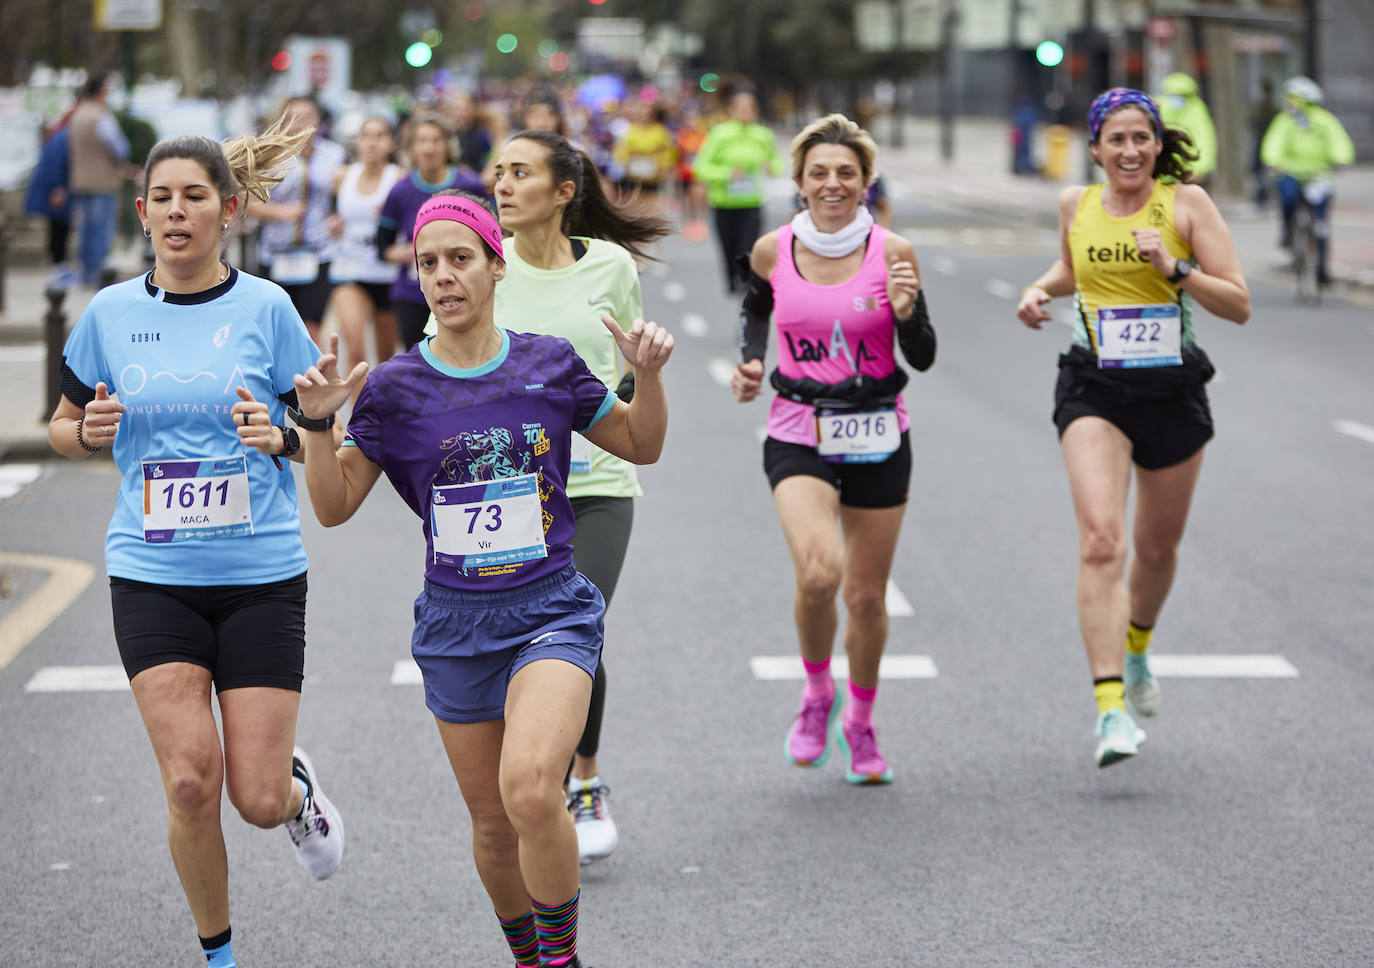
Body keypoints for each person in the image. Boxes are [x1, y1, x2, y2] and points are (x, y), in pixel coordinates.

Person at [294, 190, 673, 968]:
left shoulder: (548, 363)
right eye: (428, 263)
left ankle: (561, 961)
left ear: (497, 267)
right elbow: (333, 508)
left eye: (460, 258)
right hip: (456, 625)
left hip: (551, 609)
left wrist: (648, 377)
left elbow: (640, 444)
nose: (443, 276)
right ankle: (531, 959)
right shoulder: (395, 388)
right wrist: (318, 426)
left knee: (531, 788)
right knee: (496, 825)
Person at [46, 121, 345, 968]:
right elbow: (63, 426)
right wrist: (85, 433)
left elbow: (320, 433)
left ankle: (296, 794)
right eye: (162, 199)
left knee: (255, 798)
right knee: (188, 781)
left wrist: (286, 435)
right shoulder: (109, 314)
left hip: (260, 574)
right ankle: (219, 957)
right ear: (142, 213)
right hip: (151, 572)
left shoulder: (268, 309)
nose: (177, 212)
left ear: (229, 211)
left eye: (195, 197)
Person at [428, 128, 671, 863]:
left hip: (595, 486)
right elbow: (441, 359)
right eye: (498, 172)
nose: (502, 184)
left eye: (520, 172)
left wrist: (636, 380)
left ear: (564, 192)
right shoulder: (483, 266)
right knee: (521, 642)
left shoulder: (612, 266)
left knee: (571, 624)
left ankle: (579, 781)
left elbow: (622, 374)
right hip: (506, 495)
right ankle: (541, 782)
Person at [1014, 89, 1250, 768]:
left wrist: (1176, 269)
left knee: (1155, 547)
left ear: (1157, 144)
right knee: (1101, 541)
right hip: (1095, 384)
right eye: (1115, 139)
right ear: (1094, 148)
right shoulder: (1076, 204)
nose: (1129, 150)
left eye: (1141, 137)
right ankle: (1111, 709)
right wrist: (1038, 289)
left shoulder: (1186, 205)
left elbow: (1238, 303)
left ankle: (1138, 644)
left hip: (1172, 387)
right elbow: (1072, 268)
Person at [729, 114, 935, 785]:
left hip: (879, 430)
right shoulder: (773, 249)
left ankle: (861, 721)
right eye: (818, 172)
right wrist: (750, 361)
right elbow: (756, 307)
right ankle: (818, 694)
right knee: (820, 573)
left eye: (846, 172)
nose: (832, 183)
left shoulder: (894, 251)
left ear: (866, 181)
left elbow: (923, 356)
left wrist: (906, 315)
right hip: (799, 427)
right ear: (799, 182)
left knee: (867, 599)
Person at [377, 115, 486, 348]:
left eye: (436, 140)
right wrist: (408, 253)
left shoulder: (470, 185)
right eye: (422, 141)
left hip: (462, 289)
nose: (429, 148)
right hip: (413, 293)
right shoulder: (400, 190)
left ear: (448, 146)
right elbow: (382, 248)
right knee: (420, 359)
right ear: (411, 148)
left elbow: (493, 236)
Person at [250, 96, 347, 346]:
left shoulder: (334, 155)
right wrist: (282, 212)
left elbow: (344, 193)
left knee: (311, 328)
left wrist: (338, 216)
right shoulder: (268, 156)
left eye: (307, 117)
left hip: (319, 251)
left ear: (318, 121)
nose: (300, 123)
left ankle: (312, 370)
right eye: (293, 117)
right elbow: (246, 204)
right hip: (277, 253)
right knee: (277, 327)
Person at [693, 82, 787, 293]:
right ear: (731, 109)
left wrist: (771, 167)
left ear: (756, 109)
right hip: (723, 203)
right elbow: (701, 168)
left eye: (749, 107)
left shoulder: (762, 135)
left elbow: (777, 163)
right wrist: (727, 174)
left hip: (751, 202)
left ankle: (744, 283)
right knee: (729, 248)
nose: (745, 111)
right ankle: (732, 278)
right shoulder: (719, 134)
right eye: (740, 107)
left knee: (748, 246)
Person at [1261, 76, 1356, 286]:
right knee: (1288, 198)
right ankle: (1288, 232)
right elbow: (1274, 143)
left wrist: (1342, 159)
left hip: (1319, 176)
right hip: (1291, 173)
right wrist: (1272, 161)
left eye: (1291, 97)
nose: (1287, 101)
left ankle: (1322, 267)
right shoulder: (1284, 121)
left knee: (1322, 223)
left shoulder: (1325, 121)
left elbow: (1338, 142)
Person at [328, 116, 404, 376]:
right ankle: (357, 405)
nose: (372, 143)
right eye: (367, 136)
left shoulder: (399, 178)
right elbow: (330, 212)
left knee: (386, 360)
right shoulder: (342, 176)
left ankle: (381, 402)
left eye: (380, 136)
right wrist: (332, 223)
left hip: (387, 274)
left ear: (391, 143)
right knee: (356, 350)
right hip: (349, 270)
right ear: (358, 142)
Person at [66, 71, 130, 287]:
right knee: (102, 228)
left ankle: (85, 272)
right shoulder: (101, 116)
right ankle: (99, 274)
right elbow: (119, 147)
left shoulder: (77, 115)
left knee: (85, 228)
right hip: (103, 180)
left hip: (81, 179)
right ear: (101, 92)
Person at [24, 118, 74, 286]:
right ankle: (58, 268)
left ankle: (59, 267)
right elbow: (56, 164)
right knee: (58, 228)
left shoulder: (59, 136)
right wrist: (58, 188)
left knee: (58, 227)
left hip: (57, 190)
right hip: (58, 191)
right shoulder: (63, 138)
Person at [612, 98, 677, 210]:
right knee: (634, 205)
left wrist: (664, 167)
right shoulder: (629, 130)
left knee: (650, 205)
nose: (643, 116)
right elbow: (620, 151)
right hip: (633, 174)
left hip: (653, 175)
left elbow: (668, 152)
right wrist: (627, 160)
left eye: (647, 113)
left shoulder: (661, 131)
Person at [1156, 73, 1217, 185]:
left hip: (1191, 173)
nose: (1177, 98)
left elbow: (1205, 139)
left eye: (1182, 95)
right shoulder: (1159, 107)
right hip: (1164, 172)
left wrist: (1200, 169)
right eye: (1173, 94)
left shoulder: (1197, 110)